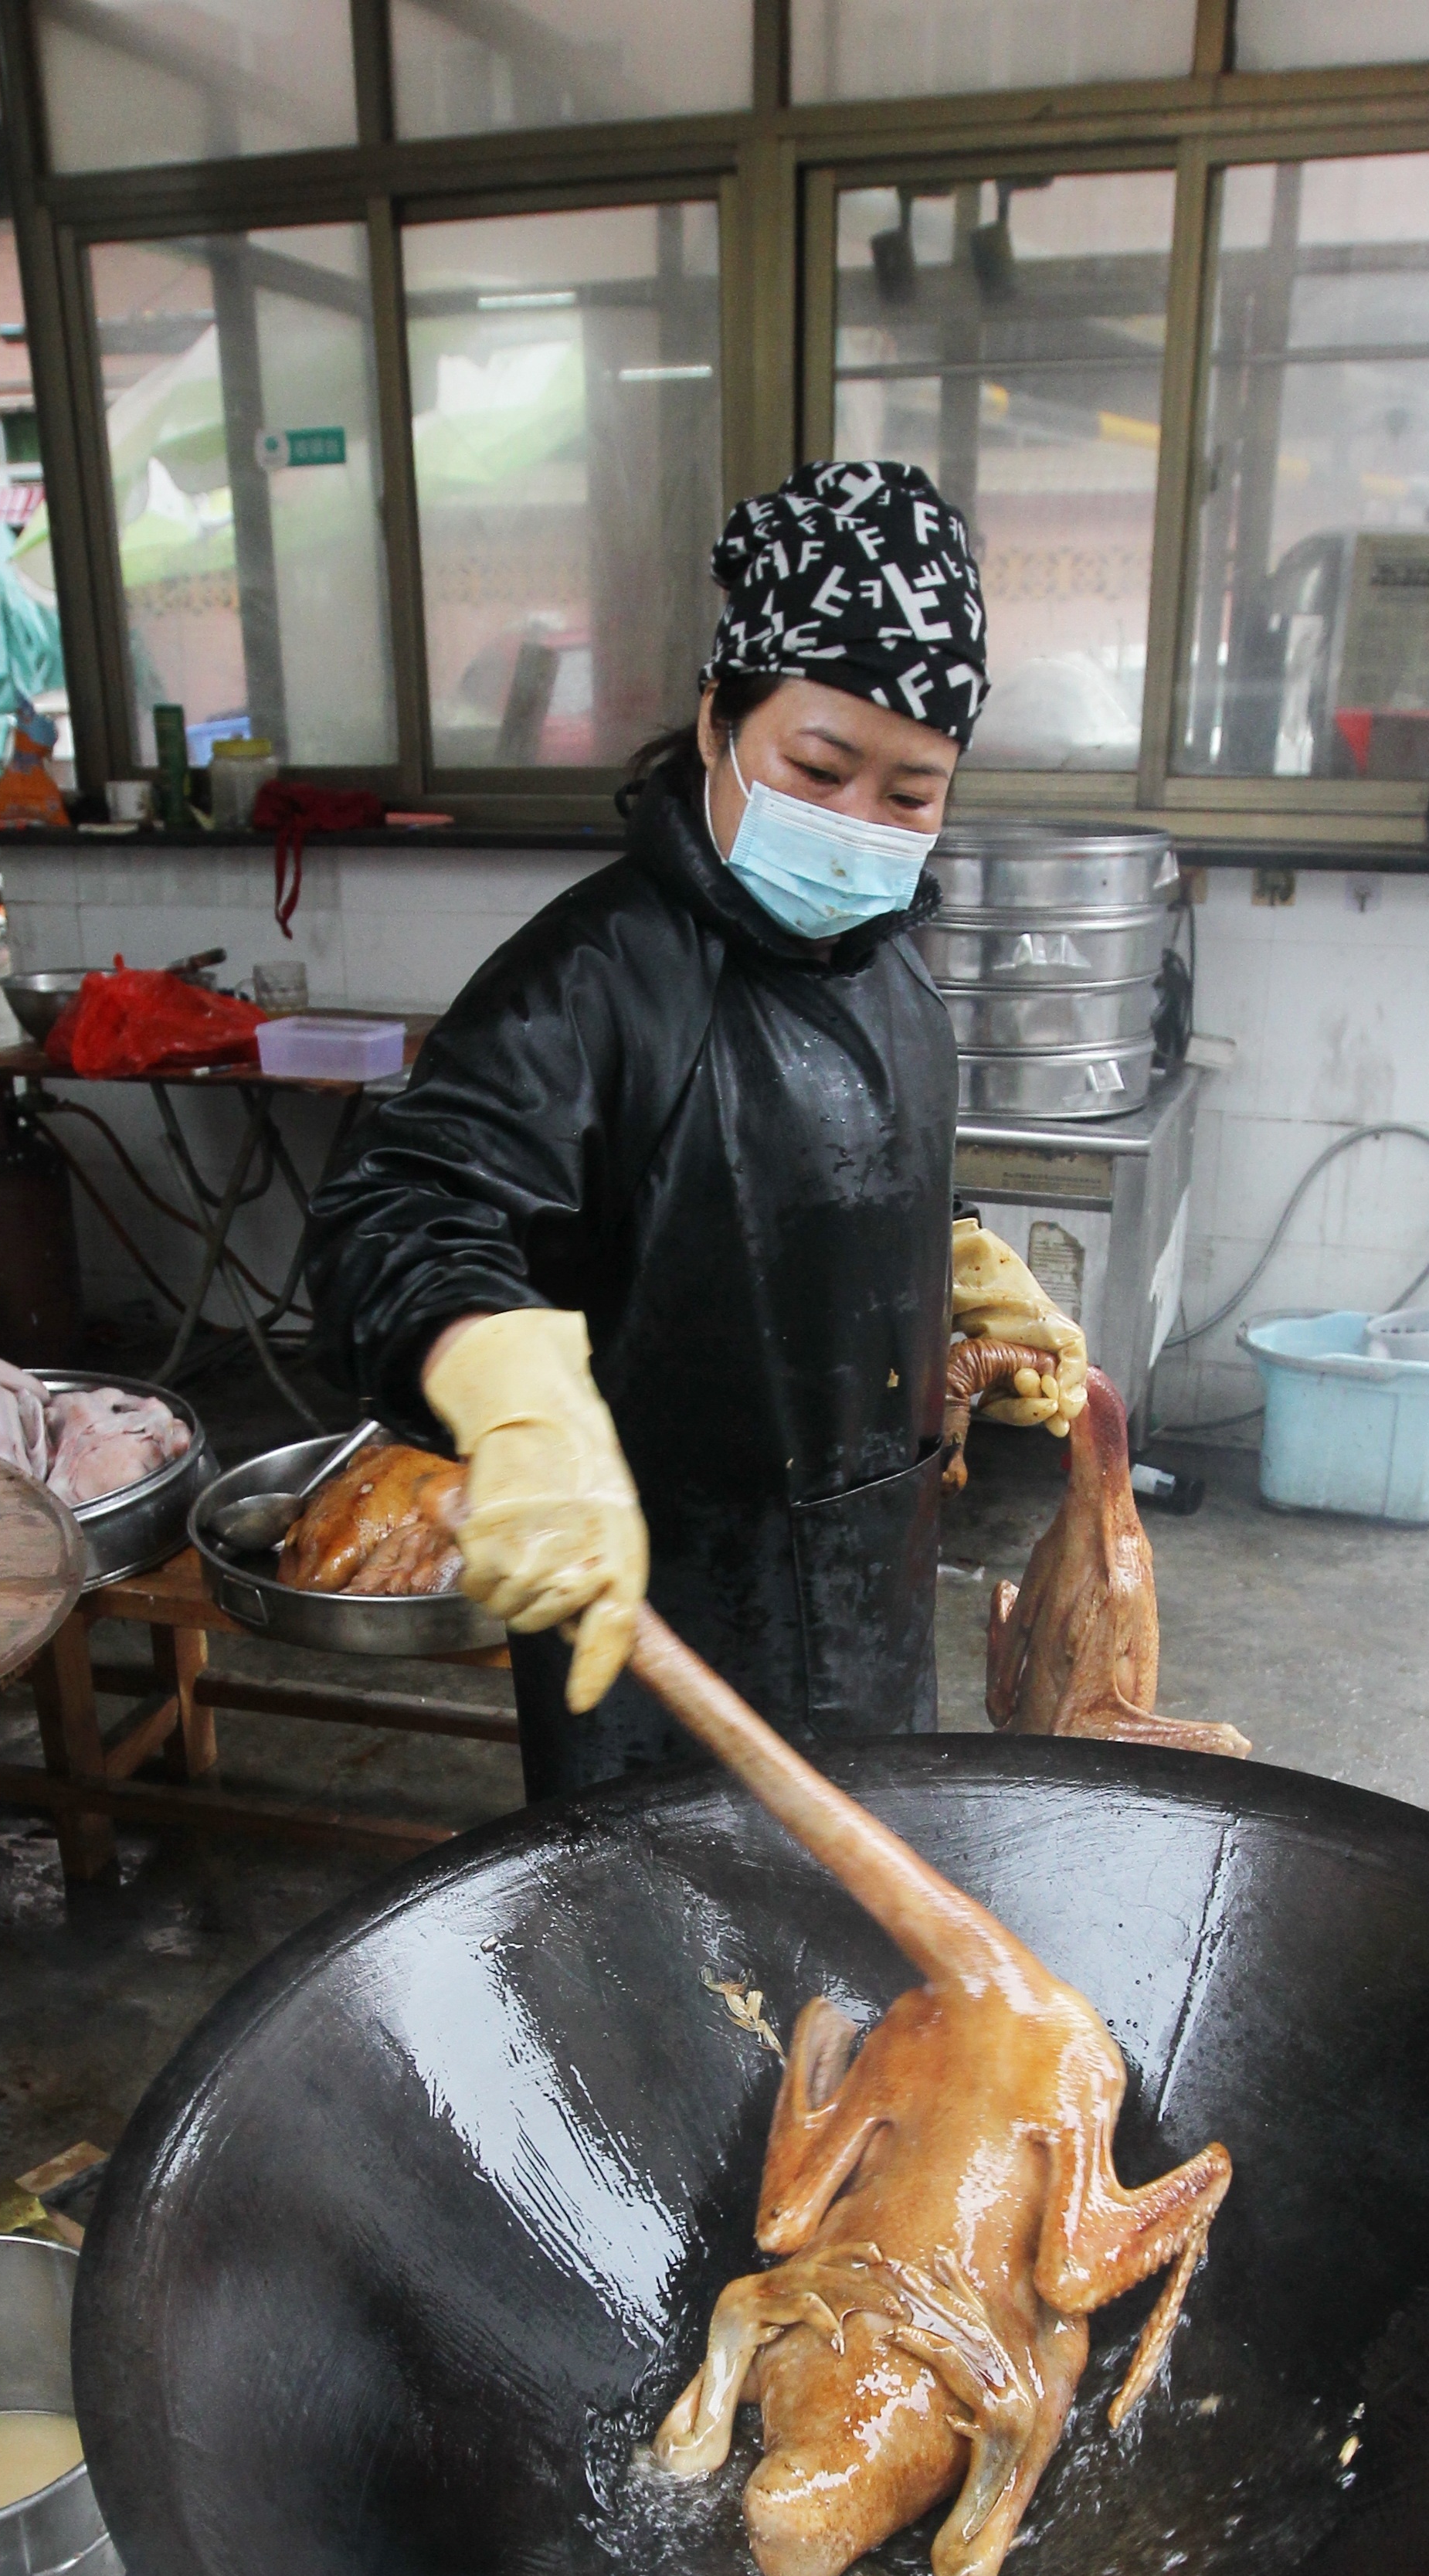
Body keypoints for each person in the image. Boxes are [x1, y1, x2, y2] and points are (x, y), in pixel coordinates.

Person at [306, 457, 1088, 1800]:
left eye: (910, 795)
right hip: (661, 1628)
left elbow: (835, 1182)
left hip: (876, 1595)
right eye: (819, 767)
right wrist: (506, 1388)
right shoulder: (597, 976)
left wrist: (947, 1266)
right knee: (674, 1970)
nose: (857, 828)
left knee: (866, 1939)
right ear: (720, 715)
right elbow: (404, 1204)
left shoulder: (891, 966)